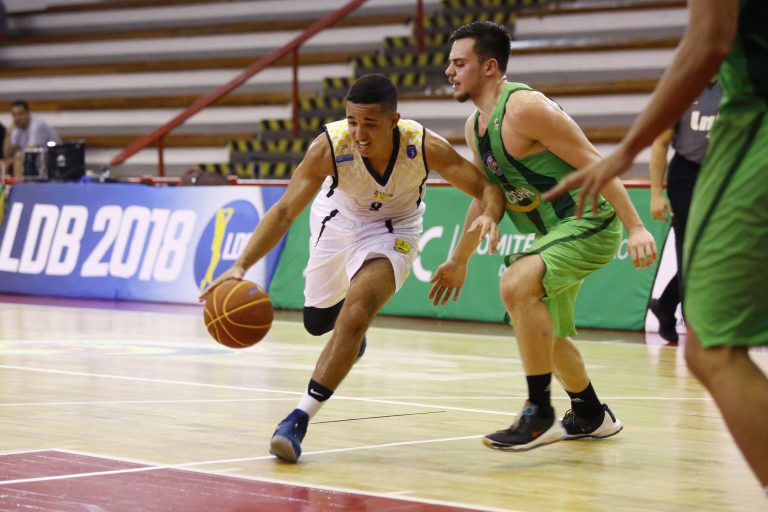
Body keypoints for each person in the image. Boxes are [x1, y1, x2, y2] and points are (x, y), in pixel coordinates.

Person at [200, 73, 505, 463]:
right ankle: (349, 342)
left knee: (356, 314)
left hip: (395, 229)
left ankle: (297, 420)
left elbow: (487, 188)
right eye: (352, 121)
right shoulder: (328, 148)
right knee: (317, 323)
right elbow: (285, 211)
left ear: (394, 121)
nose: (359, 134)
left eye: (370, 124)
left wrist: (476, 235)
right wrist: (240, 265)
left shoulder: (424, 146)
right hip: (337, 220)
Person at [544, 0, 768, 492]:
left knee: (711, 349)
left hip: (756, 125)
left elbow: (707, 40)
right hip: (700, 166)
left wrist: (625, 150)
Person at [430, 21, 657, 452]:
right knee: (542, 331)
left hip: (590, 222)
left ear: (490, 67)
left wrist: (636, 226)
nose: (449, 71)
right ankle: (590, 413)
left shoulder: (525, 108)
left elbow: (595, 162)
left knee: (515, 284)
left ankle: (538, 413)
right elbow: (487, 196)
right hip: (552, 233)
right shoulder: (475, 127)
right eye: (450, 63)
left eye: (459, 63)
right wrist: (459, 259)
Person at [648, 80, 721, 343]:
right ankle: (695, 327)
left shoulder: (736, 84)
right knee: (691, 248)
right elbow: (660, 143)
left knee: (717, 252)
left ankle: (666, 303)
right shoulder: (683, 86)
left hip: (723, 173)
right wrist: (656, 194)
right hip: (686, 175)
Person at [3, 100, 62, 178]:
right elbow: (7, 154)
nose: (17, 118)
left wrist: (17, 156)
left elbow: (31, 151)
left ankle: (19, 185)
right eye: (14, 115)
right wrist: (8, 132)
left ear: (28, 113)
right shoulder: (17, 129)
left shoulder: (37, 125)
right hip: (38, 160)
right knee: (7, 162)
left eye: (20, 114)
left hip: (55, 158)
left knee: (19, 160)